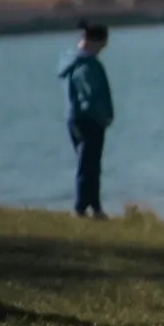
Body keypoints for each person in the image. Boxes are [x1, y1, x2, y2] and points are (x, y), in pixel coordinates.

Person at [59, 21, 113, 219]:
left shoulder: (71, 62)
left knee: (89, 164)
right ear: (93, 41)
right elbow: (90, 95)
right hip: (89, 120)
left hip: (73, 118)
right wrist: (104, 116)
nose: (102, 49)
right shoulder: (87, 66)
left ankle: (94, 206)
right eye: (102, 45)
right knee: (88, 165)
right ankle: (81, 207)